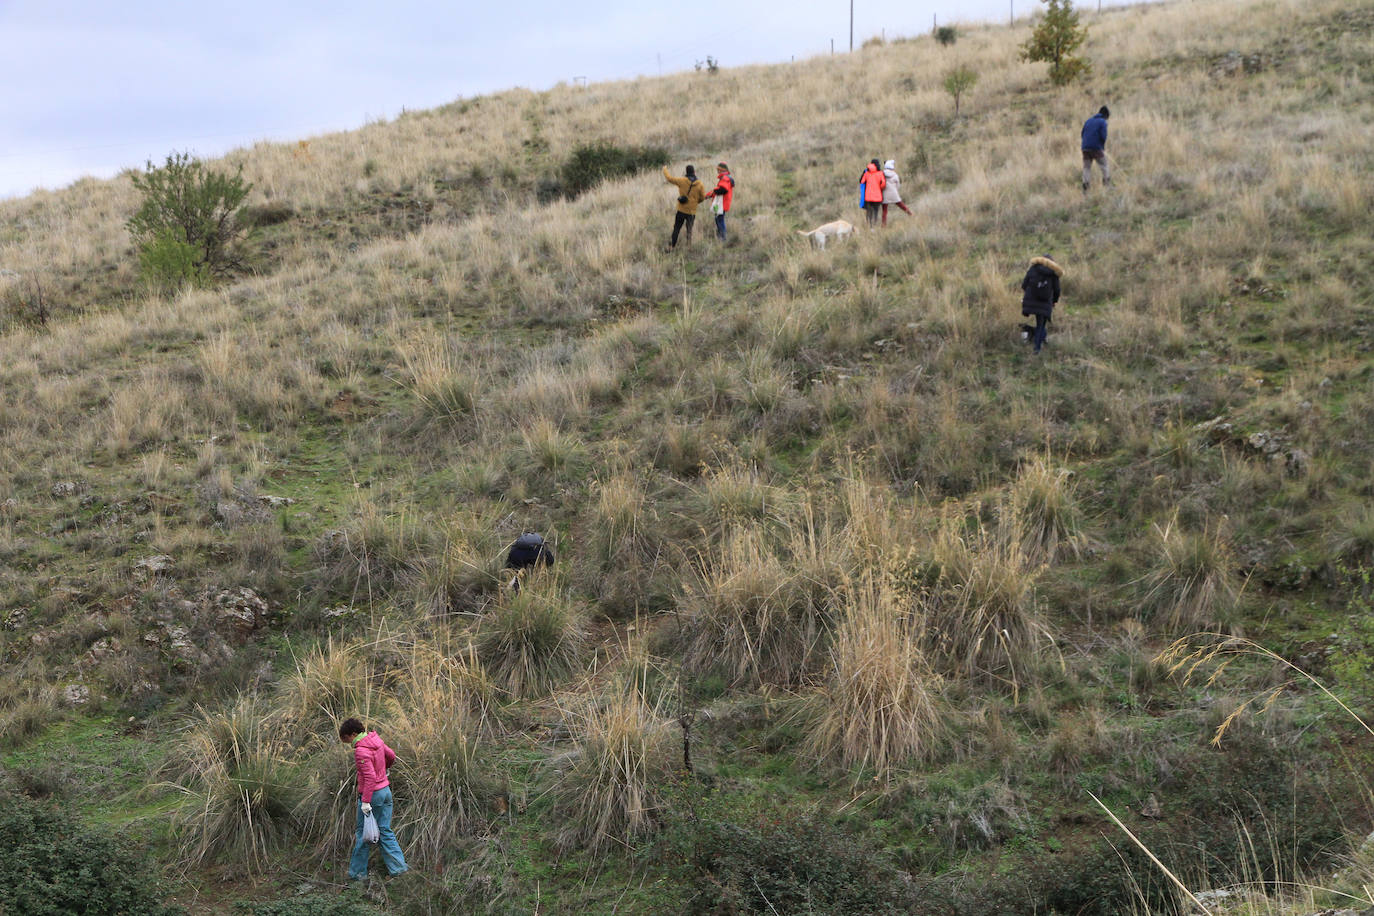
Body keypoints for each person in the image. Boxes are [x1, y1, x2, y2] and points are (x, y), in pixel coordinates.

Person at [340, 717, 408, 885]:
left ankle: (357, 874)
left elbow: (369, 777)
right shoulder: (375, 739)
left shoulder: (361, 750)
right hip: (386, 791)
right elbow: (391, 755)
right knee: (385, 830)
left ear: (353, 734)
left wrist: (365, 801)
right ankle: (399, 869)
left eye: (347, 738)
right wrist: (384, 770)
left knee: (364, 834)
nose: (348, 742)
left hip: (373, 796)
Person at [1020, 254, 1063, 354]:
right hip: (1045, 303)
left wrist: (1030, 296)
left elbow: (1024, 285)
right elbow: (1057, 290)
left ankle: (1041, 339)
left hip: (1031, 302)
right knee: (1041, 324)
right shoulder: (1053, 273)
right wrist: (1054, 301)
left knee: (1040, 323)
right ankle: (1037, 348)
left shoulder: (1033, 269)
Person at [662, 164, 708, 250]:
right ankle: (689, 246)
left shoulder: (682, 180)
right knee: (689, 229)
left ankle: (672, 246)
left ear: (686, 172)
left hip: (681, 210)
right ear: (694, 172)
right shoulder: (700, 184)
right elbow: (702, 197)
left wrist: (664, 169)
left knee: (676, 228)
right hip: (692, 211)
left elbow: (669, 178)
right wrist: (695, 202)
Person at [1081, 106, 1110, 192]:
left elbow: (1082, 134)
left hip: (1085, 148)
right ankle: (1107, 185)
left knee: (1086, 168)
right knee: (1104, 166)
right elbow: (1103, 136)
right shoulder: (1103, 122)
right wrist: (1102, 146)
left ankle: (1085, 188)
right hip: (1096, 148)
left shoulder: (1088, 121)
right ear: (1106, 115)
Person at [706, 162, 735, 241]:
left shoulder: (725, 178)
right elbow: (719, 191)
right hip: (721, 203)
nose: (717, 171)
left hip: (721, 203)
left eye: (718, 170)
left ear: (722, 170)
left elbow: (723, 190)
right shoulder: (725, 178)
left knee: (719, 219)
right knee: (718, 219)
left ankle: (722, 238)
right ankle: (720, 236)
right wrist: (708, 195)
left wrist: (714, 190)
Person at [880, 159, 913, 226]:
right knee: (902, 206)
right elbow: (898, 185)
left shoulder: (881, 174)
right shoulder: (895, 175)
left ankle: (884, 224)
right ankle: (911, 214)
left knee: (884, 211)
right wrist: (895, 190)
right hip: (894, 193)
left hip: (884, 194)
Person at [859, 159, 886, 227]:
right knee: (876, 211)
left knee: (869, 211)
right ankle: (875, 224)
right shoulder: (880, 173)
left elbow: (862, 181)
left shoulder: (866, 173)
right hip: (878, 196)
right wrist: (879, 187)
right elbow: (883, 184)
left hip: (868, 196)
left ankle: (869, 225)